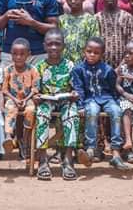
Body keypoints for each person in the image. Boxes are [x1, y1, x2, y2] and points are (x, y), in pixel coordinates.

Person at [72, 37, 128, 171]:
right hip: (89, 99)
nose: (92, 55)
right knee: (92, 111)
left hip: (107, 98)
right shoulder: (78, 69)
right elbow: (78, 89)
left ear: (102, 54)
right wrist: (80, 105)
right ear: (84, 51)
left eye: (96, 53)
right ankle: (90, 149)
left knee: (116, 112)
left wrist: (116, 101)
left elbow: (113, 88)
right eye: (89, 51)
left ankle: (116, 152)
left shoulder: (107, 69)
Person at [33, 30, 79, 181]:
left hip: (65, 100)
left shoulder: (70, 65)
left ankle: (68, 160)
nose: (53, 47)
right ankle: (43, 160)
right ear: (44, 46)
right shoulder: (39, 67)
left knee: (71, 113)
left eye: (57, 44)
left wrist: (75, 94)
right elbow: (35, 90)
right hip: (46, 100)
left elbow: (75, 88)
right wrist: (36, 96)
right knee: (41, 113)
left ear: (63, 46)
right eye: (50, 44)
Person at [1, 38, 39, 158]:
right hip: (12, 98)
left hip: (28, 99)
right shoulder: (8, 70)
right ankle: (8, 136)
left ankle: (25, 138)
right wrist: (15, 99)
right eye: (15, 54)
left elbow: (35, 89)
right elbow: (4, 90)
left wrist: (26, 99)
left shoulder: (33, 70)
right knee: (10, 108)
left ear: (28, 55)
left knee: (31, 110)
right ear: (11, 54)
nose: (18, 57)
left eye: (22, 54)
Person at [95, 0, 133, 67]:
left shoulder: (127, 18)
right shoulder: (96, 19)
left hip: (124, 68)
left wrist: (120, 68)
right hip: (101, 68)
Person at [58, 0, 99, 64]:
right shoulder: (61, 20)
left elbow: (94, 43)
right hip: (64, 65)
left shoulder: (91, 20)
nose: (73, 1)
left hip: (84, 64)